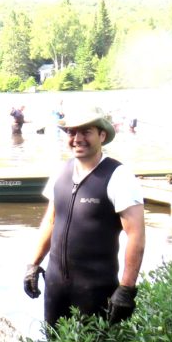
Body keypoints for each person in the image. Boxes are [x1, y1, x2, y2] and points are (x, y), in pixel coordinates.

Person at [24, 107, 146, 329]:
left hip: (96, 289)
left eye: (86, 132)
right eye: (72, 132)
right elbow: (51, 221)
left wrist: (127, 289)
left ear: (102, 136)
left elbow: (136, 235)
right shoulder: (62, 171)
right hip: (55, 285)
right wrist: (33, 264)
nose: (77, 139)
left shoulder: (119, 176)